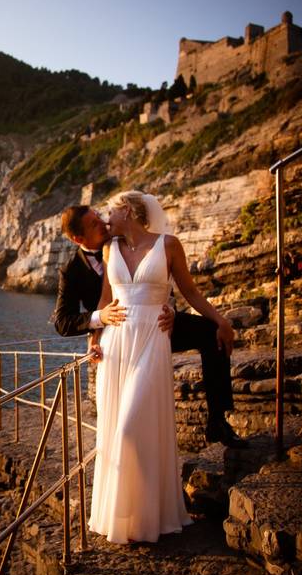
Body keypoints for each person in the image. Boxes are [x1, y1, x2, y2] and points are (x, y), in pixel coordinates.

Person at [85, 190, 236, 543]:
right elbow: (106, 299)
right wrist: (93, 336)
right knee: (117, 430)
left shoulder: (168, 245)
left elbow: (191, 292)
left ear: (129, 211)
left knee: (131, 427)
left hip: (153, 338)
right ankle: (131, 518)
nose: (107, 218)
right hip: (117, 344)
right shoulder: (110, 250)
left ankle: (151, 511)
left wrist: (221, 321)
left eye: (111, 211)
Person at [53, 204, 245, 448]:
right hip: (119, 332)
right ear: (79, 238)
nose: (103, 223)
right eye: (94, 224)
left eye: (100, 217)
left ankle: (218, 420)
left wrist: (173, 310)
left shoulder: (129, 239)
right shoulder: (72, 271)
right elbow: (62, 321)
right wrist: (98, 325)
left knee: (210, 332)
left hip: (160, 322)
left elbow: (159, 283)